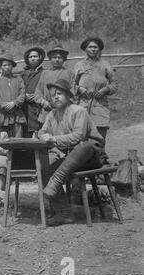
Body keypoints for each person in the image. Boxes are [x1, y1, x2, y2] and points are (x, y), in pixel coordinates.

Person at [38, 79, 107, 226]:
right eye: (52, 95)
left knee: (84, 145)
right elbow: (42, 133)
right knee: (45, 170)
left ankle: (56, 180)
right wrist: (44, 136)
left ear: (69, 96)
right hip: (70, 160)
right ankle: (64, 214)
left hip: (91, 157)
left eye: (59, 94)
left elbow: (78, 137)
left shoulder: (78, 110)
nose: (55, 97)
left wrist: (53, 139)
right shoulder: (51, 114)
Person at [73, 37, 118, 139]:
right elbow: (71, 84)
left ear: (99, 49)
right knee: (83, 138)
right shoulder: (79, 65)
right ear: (85, 49)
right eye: (90, 47)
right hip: (83, 106)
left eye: (95, 47)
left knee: (100, 139)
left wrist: (106, 89)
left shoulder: (106, 65)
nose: (93, 49)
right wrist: (80, 89)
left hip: (100, 106)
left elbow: (114, 84)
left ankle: (99, 155)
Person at [34, 45, 73, 124]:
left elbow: (73, 91)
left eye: (60, 57)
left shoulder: (69, 73)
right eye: (54, 57)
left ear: (64, 59)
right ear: (50, 59)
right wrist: (43, 102)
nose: (57, 60)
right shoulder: (45, 73)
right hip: (47, 110)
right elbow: (38, 92)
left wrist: (64, 102)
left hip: (64, 110)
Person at [0, 54, 26, 137]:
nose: (6, 67)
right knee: (3, 139)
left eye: (9, 65)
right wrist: (4, 105)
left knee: (17, 140)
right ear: (1, 67)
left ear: (12, 66)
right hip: (2, 114)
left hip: (17, 114)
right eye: (4, 65)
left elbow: (22, 93)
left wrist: (14, 103)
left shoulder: (18, 79)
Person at [22, 47, 46, 137]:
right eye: (30, 57)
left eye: (35, 56)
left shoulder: (44, 73)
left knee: (37, 131)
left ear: (40, 58)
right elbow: (19, 87)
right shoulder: (23, 74)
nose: (33, 58)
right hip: (24, 106)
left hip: (38, 107)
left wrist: (37, 96)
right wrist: (24, 95)